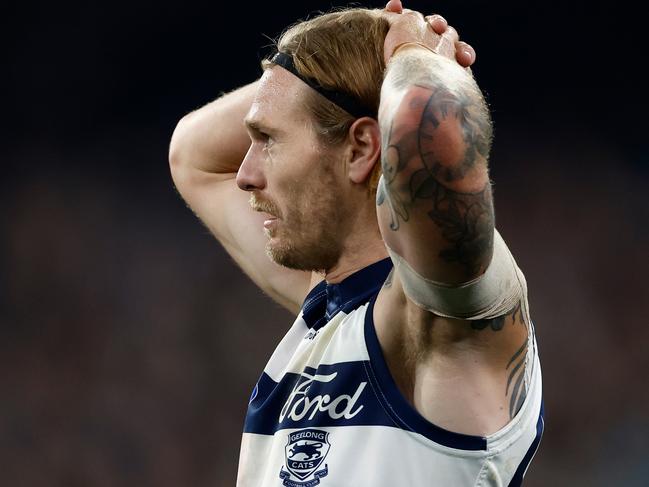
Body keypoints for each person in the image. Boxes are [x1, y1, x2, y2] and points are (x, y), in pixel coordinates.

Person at [169, 1, 543, 485]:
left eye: (268, 139)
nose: (245, 174)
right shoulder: (327, 304)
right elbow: (191, 155)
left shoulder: (432, 322)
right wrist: (354, 44)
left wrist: (411, 47)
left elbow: (426, 131)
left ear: (362, 148)